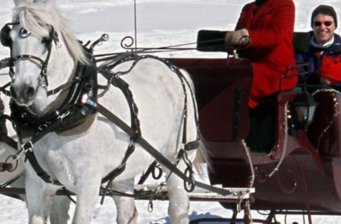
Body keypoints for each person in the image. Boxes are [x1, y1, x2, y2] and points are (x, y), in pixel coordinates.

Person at [225, 0, 297, 108]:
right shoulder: (248, 8)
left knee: (239, 81)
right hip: (249, 65)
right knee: (221, 74)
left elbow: (276, 35)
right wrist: (232, 42)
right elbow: (238, 35)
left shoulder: (284, 4)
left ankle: (239, 120)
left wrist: (246, 37)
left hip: (277, 70)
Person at [295, 5, 341, 91]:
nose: (322, 27)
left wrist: (333, 82)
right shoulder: (299, 48)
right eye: (317, 23)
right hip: (303, 98)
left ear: (335, 26)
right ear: (312, 26)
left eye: (327, 23)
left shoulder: (339, 50)